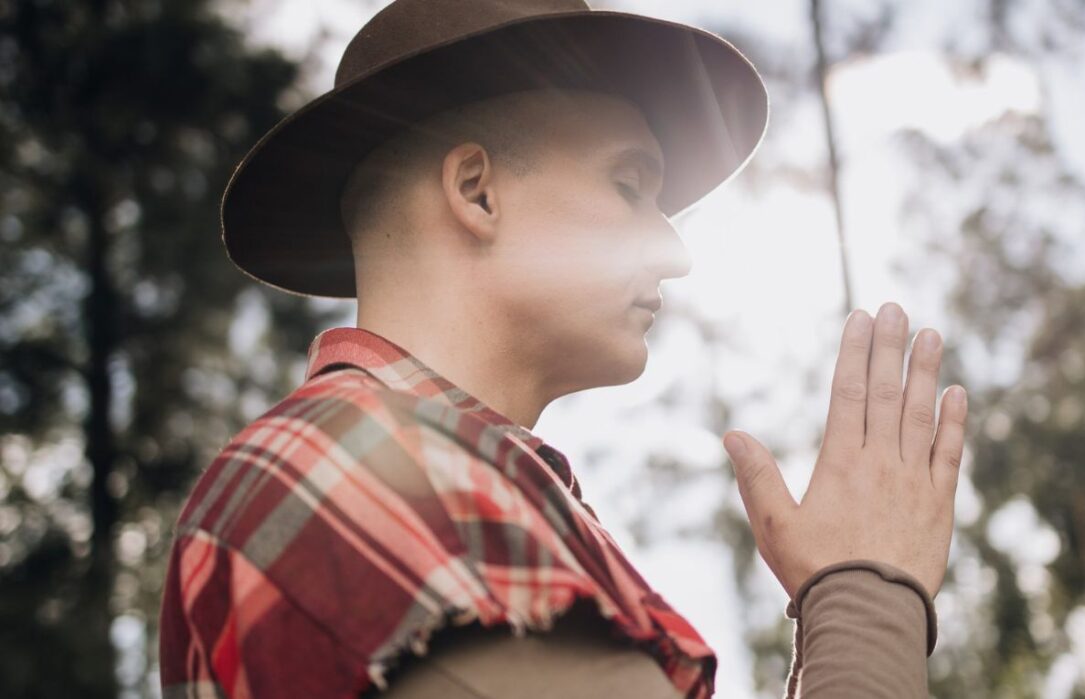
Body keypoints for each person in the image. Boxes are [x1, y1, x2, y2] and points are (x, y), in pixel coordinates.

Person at [158, 1, 968, 697]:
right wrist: (866, 596)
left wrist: (846, 593)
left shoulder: (419, 482)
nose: (675, 253)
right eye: (629, 185)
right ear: (477, 191)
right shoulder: (345, 466)